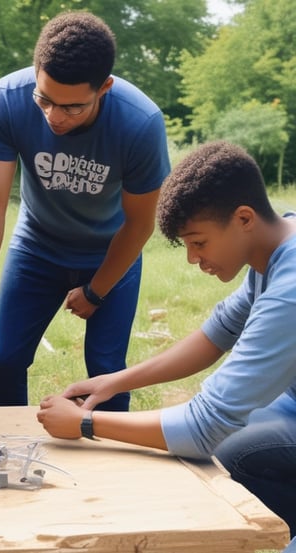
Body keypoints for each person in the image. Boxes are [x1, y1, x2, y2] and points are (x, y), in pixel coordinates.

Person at [36, 141, 296, 548]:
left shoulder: (290, 289)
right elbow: (218, 333)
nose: (194, 259)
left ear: (244, 218)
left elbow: (203, 426)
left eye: (199, 242)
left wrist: (86, 424)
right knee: (226, 448)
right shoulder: (278, 243)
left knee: (222, 448)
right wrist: (115, 382)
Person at [0, 11, 170, 410]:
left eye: (72, 107)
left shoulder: (139, 123)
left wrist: (97, 290)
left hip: (110, 251)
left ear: (103, 88)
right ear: (36, 70)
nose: (53, 117)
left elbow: (141, 223)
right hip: (36, 247)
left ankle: (107, 461)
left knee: (106, 368)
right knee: (3, 360)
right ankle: (10, 453)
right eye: (44, 99)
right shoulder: (8, 99)